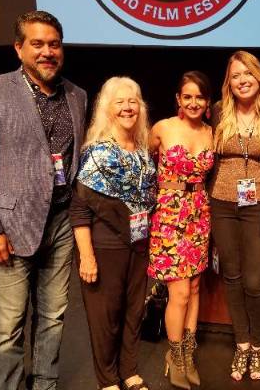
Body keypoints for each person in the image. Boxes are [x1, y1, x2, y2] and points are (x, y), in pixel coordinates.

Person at [0, 10, 87, 390]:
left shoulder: (77, 96)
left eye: (54, 44)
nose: (48, 52)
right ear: (18, 48)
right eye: (38, 44)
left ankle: (44, 385)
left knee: (53, 318)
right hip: (9, 230)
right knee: (7, 328)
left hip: (60, 225)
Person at [69, 77, 156, 390]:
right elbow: (79, 211)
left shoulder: (144, 152)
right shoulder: (95, 154)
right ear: (107, 109)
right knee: (106, 318)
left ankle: (129, 371)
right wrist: (87, 257)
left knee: (134, 312)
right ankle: (107, 380)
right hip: (105, 247)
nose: (127, 107)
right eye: (119, 102)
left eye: (132, 101)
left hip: (138, 243)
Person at [209, 51, 260, 381]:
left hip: (258, 206)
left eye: (247, 73)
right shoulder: (218, 112)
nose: (242, 80)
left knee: (255, 281)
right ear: (229, 81)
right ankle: (241, 344)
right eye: (235, 75)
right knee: (232, 278)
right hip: (222, 204)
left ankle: (259, 344)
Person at [147, 71, 214, 389]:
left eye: (199, 97)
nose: (193, 102)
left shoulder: (211, 132)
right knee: (180, 291)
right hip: (169, 215)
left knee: (196, 288)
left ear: (207, 101)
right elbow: (143, 161)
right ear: (178, 99)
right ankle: (175, 357)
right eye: (187, 96)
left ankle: (187, 354)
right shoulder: (161, 128)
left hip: (199, 212)